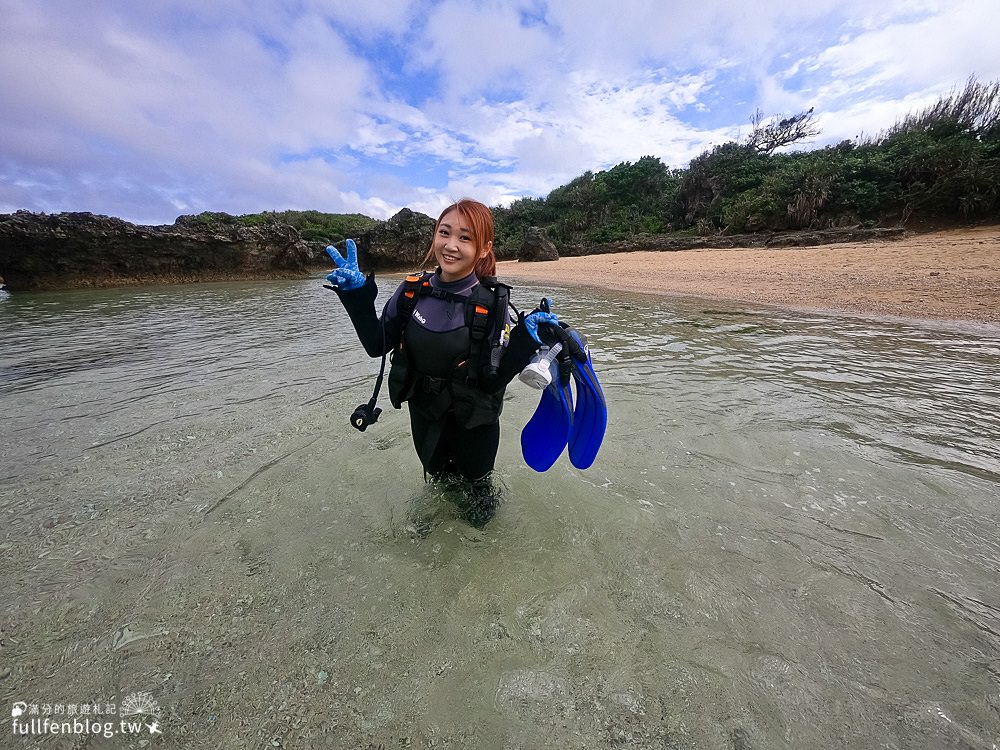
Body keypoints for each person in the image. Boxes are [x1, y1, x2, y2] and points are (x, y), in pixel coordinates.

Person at [324, 198, 561, 525]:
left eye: (465, 238)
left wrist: (524, 340)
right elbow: (376, 345)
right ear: (434, 235)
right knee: (438, 487)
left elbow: (493, 381)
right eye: (444, 233)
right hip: (425, 421)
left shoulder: (494, 305)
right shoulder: (411, 293)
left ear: (483, 248)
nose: (451, 245)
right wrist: (357, 298)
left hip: (474, 429)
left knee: (478, 504)